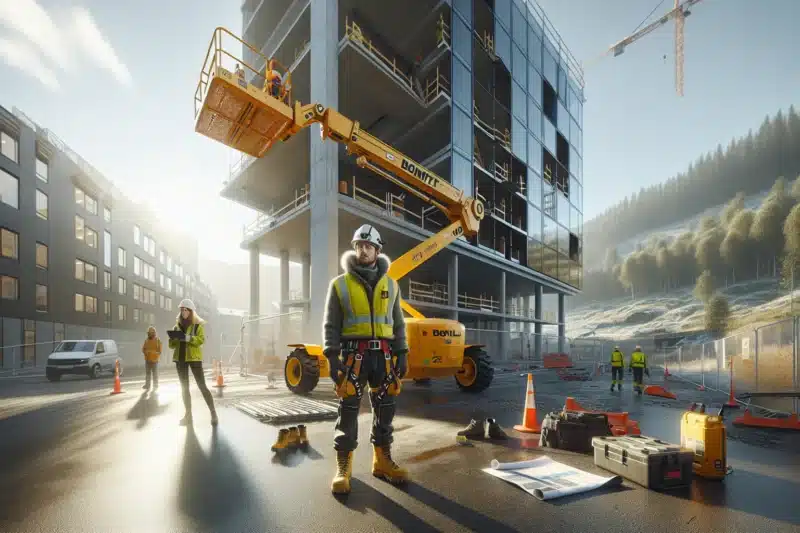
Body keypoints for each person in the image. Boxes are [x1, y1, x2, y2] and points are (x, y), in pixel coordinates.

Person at [323, 223, 409, 495]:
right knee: (348, 410)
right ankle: (343, 468)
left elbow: (398, 324)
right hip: (353, 357)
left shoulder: (392, 286)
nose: (363, 250)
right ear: (355, 248)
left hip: (383, 356)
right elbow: (331, 325)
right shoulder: (339, 285)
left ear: (377, 250)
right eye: (359, 245)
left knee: (386, 408)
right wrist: (332, 356)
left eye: (368, 246)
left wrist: (402, 353)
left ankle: (382, 461)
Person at [169, 299, 218, 426]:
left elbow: (201, 340)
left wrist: (188, 338)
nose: (183, 312)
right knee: (184, 388)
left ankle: (213, 413)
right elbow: (171, 345)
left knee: (202, 386)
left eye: (186, 310)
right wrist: (174, 339)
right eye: (182, 310)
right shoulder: (176, 327)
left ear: (191, 311)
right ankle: (188, 416)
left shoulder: (197, 326)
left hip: (194, 359)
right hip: (180, 359)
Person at [142, 326, 162, 391]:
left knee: (155, 374)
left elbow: (159, 351)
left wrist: (152, 353)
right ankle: (147, 385)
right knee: (147, 373)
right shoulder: (146, 340)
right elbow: (143, 349)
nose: (149, 334)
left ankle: (155, 385)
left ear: (154, 333)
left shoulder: (158, 341)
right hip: (147, 359)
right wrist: (145, 352)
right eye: (149, 333)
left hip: (154, 360)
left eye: (151, 333)